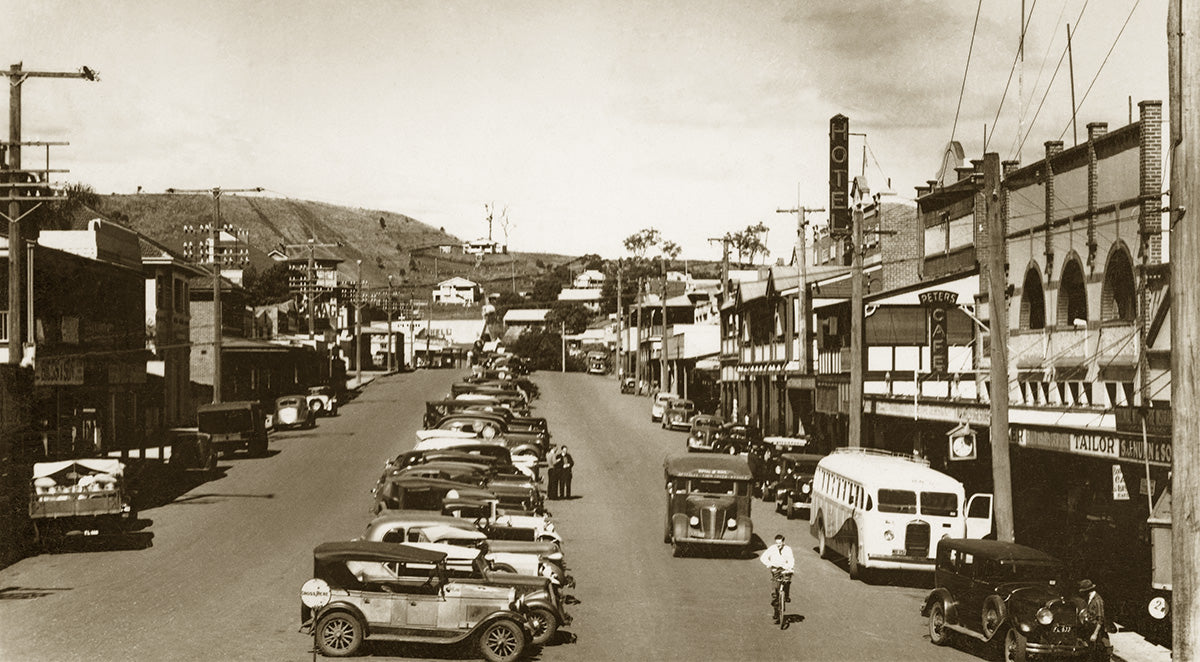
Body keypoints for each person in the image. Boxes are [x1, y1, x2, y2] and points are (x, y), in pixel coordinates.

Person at [1079, 579, 1113, 660]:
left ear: (1087, 591)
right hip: (1091, 629)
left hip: (1097, 632)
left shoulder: (1097, 600)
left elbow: (1100, 619)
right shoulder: (1090, 599)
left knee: (1097, 654)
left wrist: (1095, 634)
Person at [760, 534, 795, 609]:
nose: (778, 545)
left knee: (787, 580)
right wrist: (769, 564)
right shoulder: (772, 548)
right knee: (775, 582)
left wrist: (790, 567)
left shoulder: (788, 549)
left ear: (783, 542)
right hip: (775, 568)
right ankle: (775, 600)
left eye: (780, 543)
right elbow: (763, 557)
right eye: (777, 543)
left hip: (785, 568)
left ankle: (786, 596)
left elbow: (791, 559)